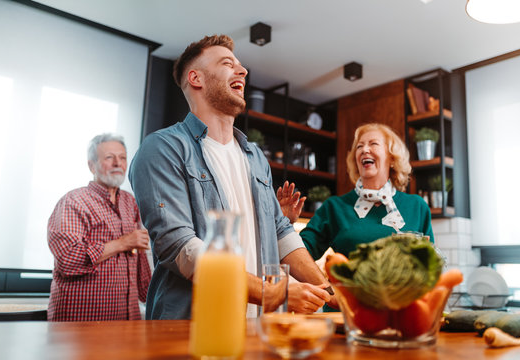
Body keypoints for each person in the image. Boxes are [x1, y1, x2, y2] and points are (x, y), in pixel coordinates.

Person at [129, 34, 332, 320]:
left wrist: (328, 289)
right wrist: (273, 293)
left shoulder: (255, 156)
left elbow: (280, 233)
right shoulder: (162, 148)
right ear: (196, 78)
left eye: (240, 65)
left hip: (255, 329)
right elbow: (180, 247)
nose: (243, 71)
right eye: (227, 64)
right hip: (192, 327)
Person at [291, 123, 434, 264]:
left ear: (391, 158)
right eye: (359, 146)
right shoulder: (334, 208)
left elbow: (430, 264)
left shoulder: (417, 206)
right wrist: (285, 224)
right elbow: (299, 257)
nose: (365, 150)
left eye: (373, 144)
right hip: (348, 288)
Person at [47, 133, 151, 321]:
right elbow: (68, 260)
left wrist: (151, 297)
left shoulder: (130, 202)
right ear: (91, 165)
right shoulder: (74, 201)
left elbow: (139, 257)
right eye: (109, 157)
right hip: (80, 324)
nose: (117, 163)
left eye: (122, 158)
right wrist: (122, 243)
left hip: (127, 320)